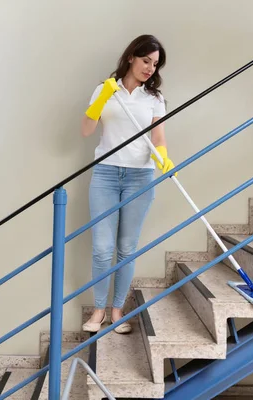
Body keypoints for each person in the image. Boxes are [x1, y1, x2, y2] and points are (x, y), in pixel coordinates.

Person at [80, 34, 175, 334]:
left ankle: (117, 310)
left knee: (126, 248)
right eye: (146, 60)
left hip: (139, 177)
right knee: (101, 249)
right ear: (132, 56)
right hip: (106, 174)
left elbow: (158, 138)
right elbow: (86, 130)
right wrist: (102, 99)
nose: (150, 68)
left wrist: (162, 157)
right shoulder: (105, 89)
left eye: (155, 64)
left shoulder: (154, 98)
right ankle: (98, 311)